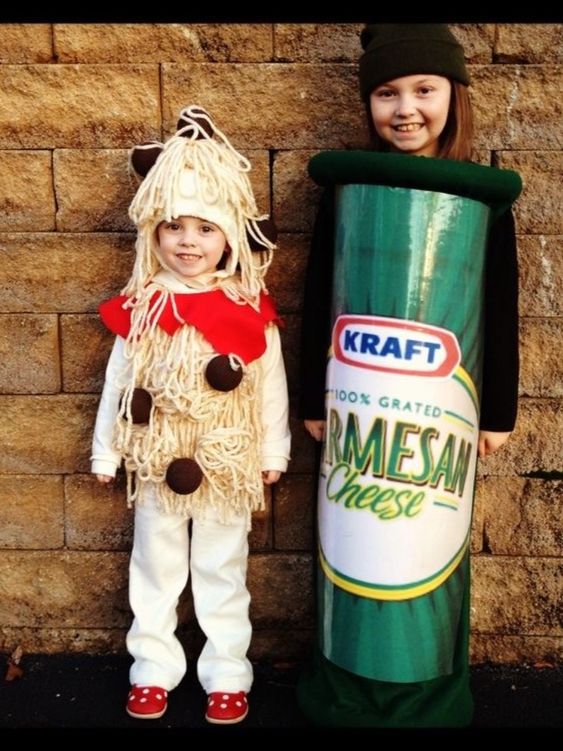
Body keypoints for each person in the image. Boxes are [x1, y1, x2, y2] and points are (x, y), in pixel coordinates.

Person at [298, 24, 520, 727]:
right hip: (357, 412)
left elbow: (500, 304)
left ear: (453, 96)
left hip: (439, 426)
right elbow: (314, 296)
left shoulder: (483, 200)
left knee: (424, 550)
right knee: (356, 544)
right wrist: (312, 397)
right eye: (385, 93)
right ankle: (345, 681)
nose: (405, 109)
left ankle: (425, 692)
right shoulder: (346, 189)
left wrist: (496, 412)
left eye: (423, 90)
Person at [91, 105, 291, 724]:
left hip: (226, 463)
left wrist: (271, 453)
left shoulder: (247, 308)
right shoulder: (143, 308)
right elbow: (119, 382)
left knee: (221, 568)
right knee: (154, 566)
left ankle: (228, 671)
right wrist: (107, 451)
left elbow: (269, 383)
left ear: (229, 236)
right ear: (153, 234)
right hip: (155, 464)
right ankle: (152, 667)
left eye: (205, 228)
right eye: (173, 227)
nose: (187, 241)